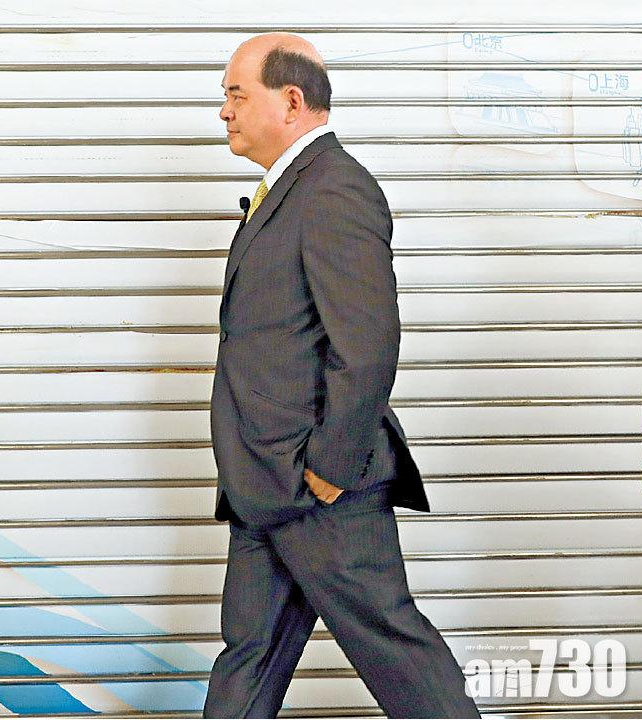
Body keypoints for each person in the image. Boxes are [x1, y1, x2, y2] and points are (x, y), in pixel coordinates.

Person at [202, 32, 482, 718]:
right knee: (249, 657)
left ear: (291, 101)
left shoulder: (335, 189)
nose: (225, 111)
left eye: (237, 95)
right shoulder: (290, 189)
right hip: (264, 483)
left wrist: (329, 467)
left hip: (318, 487)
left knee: (397, 653)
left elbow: (367, 345)